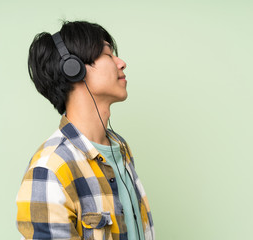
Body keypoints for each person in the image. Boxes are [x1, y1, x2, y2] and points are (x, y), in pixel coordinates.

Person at [16, 20, 155, 240]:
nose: (122, 63)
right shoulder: (49, 169)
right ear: (74, 69)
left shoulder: (120, 148)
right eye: (108, 55)